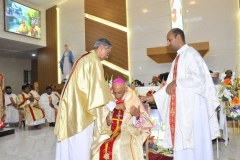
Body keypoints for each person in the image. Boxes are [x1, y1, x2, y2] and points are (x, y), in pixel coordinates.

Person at [141, 28, 220, 160]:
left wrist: (177, 82)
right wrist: (152, 97)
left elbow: (199, 79)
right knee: (182, 141)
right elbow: (169, 86)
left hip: (193, 109)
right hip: (182, 110)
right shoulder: (178, 58)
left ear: (178, 37)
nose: (168, 43)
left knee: (195, 141)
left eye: (169, 39)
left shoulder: (191, 54)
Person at [55, 38, 116, 160]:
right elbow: (98, 88)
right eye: (107, 53)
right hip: (81, 110)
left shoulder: (83, 57)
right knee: (80, 143)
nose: (107, 56)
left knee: (69, 141)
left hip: (72, 106)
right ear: (101, 48)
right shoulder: (94, 61)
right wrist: (113, 105)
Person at [92, 78, 154, 160]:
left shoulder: (132, 99)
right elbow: (100, 117)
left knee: (118, 146)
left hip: (127, 131)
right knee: (98, 146)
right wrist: (106, 122)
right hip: (108, 131)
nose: (117, 95)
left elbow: (141, 123)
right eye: (114, 92)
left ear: (125, 89)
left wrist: (137, 115)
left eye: (119, 92)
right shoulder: (108, 97)